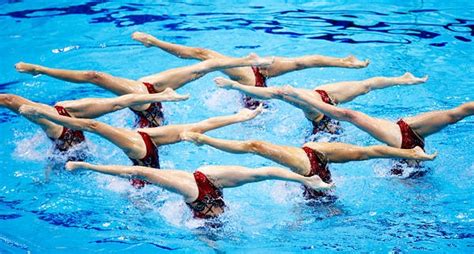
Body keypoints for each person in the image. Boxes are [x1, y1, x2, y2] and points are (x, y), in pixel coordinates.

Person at [19, 104, 263, 187]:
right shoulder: (151, 134)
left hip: (142, 187)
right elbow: (203, 124)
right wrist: (240, 117)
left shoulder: (133, 142)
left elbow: (92, 126)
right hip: (159, 176)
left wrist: (43, 115)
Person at [15, 53, 272, 127]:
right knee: (97, 78)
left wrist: (248, 61)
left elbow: (207, 63)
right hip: (148, 103)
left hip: (151, 97)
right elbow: (94, 78)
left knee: (202, 67)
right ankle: (40, 67)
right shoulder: (144, 130)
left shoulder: (149, 95)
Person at [131, 32, 370, 109]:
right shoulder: (253, 71)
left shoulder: (239, 71)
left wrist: (155, 42)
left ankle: (345, 61)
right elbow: (305, 62)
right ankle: (345, 61)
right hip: (258, 80)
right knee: (300, 63)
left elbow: (199, 54)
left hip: (254, 92)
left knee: (206, 58)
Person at [278, 85, 474, 175]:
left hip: (407, 145)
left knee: (454, 115)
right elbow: (350, 117)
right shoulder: (401, 141)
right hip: (403, 149)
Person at [180, 132, 437, 198]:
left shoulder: (315, 155)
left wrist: (205, 141)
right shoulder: (316, 154)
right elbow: (368, 153)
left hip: (318, 195)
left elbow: (367, 152)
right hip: (318, 189)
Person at [65, 161, 334, 219]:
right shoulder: (190, 189)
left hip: (206, 184)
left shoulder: (205, 184)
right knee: (143, 173)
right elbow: (138, 172)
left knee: (259, 174)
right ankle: (85, 164)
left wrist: (307, 181)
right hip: (199, 191)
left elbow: (264, 173)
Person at [212, 73, 427, 138]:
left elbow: (368, 85)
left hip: (323, 100)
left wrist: (401, 81)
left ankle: (403, 78)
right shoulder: (302, 102)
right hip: (322, 128)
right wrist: (234, 86)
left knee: (364, 87)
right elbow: (268, 93)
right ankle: (401, 78)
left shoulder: (316, 97)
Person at [0, 88, 187, 160]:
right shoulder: (60, 112)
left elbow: (114, 107)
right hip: (71, 148)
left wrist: (162, 96)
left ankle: (163, 96)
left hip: (71, 152)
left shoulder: (58, 115)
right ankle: (163, 96)